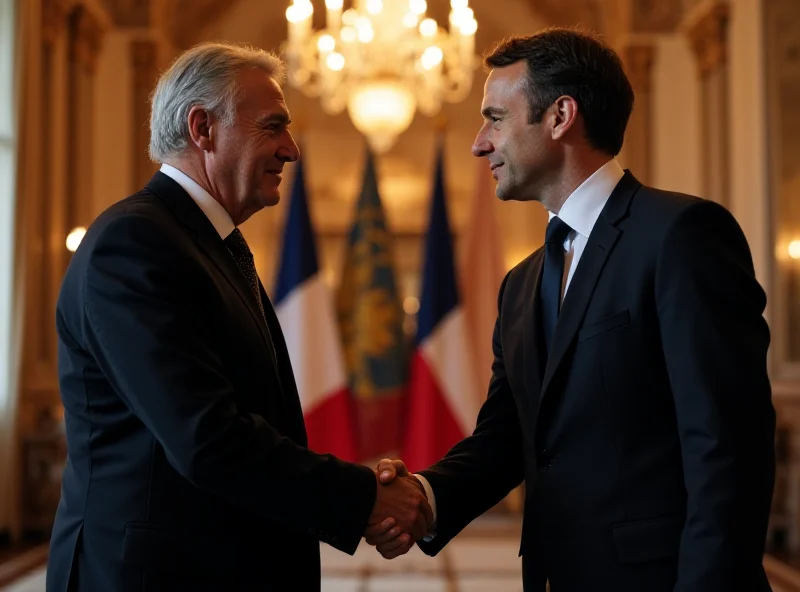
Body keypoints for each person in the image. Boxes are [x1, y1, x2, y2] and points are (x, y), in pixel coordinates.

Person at [367, 27, 776, 592]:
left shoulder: (681, 236)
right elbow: (509, 437)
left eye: (495, 118)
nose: (479, 142)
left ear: (560, 116)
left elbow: (728, 447)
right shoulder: (520, 283)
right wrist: (425, 496)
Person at [47, 42, 431, 592]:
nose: (292, 150)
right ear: (202, 127)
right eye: (273, 127)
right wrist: (364, 497)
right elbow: (206, 438)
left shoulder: (208, 243)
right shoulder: (136, 243)